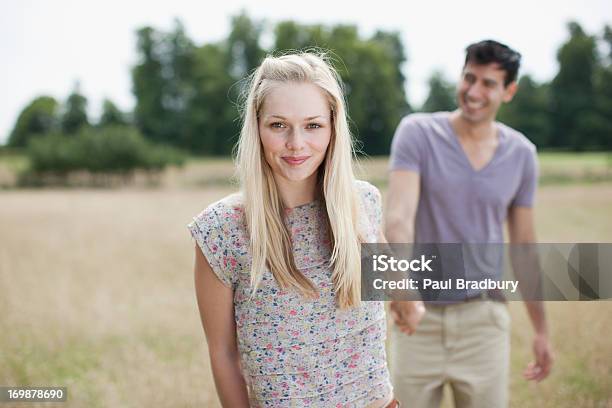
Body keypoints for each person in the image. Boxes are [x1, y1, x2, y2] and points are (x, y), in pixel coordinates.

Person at [188, 52, 398, 407]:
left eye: (313, 125)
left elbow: (391, 288)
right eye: (278, 125)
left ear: (333, 128)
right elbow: (223, 354)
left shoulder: (364, 203)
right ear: (257, 128)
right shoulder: (221, 230)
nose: (296, 144)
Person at [385, 40, 554, 408]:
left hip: (484, 322)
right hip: (418, 320)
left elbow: (524, 245)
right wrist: (400, 287)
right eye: (469, 78)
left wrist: (541, 331)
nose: (473, 91)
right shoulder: (417, 133)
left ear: (509, 91)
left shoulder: (522, 155)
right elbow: (398, 218)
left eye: (488, 83)